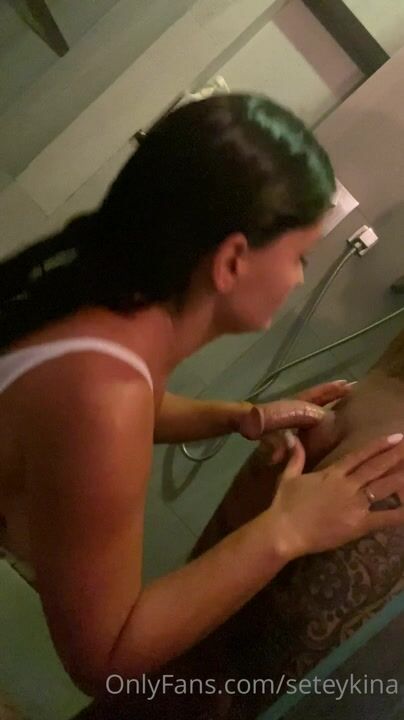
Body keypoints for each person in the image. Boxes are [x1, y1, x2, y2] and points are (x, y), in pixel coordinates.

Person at [0, 94, 403, 699]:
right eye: (299, 257)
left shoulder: (106, 323)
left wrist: (242, 417)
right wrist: (289, 528)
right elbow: (105, 658)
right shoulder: (107, 396)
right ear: (232, 260)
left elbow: (123, 417)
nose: (300, 278)